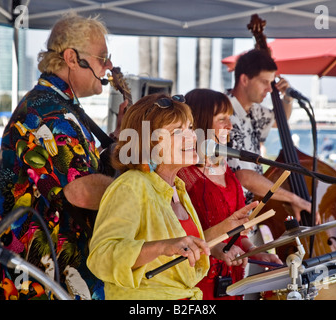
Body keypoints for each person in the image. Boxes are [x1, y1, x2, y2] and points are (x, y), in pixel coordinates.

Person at [0, 12, 126, 300]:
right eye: (103, 57)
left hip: (57, 273)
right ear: (71, 58)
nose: (109, 66)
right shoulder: (48, 113)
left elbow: (81, 171)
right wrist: (141, 194)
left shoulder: (59, 106)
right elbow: (81, 191)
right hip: (44, 280)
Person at [87, 93, 257, 300]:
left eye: (190, 128)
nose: (192, 137)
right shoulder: (131, 185)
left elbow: (181, 249)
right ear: (149, 143)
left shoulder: (178, 188)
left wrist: (224, 228)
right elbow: (101, 256)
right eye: (177, 131)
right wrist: (162, 247)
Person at [177, 88, 282, 300]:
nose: (230, 126)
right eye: (222, 119)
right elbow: (178, 236)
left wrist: (255, 251)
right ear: (201, 122)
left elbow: (238, 233)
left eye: (230, 118)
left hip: (230, 282)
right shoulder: (182, 176)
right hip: (196, 283)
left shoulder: (225, 170)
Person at [227, 49, 315, 223]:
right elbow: (243, 176)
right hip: (231, 212)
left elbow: (280, 119)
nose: (269, 88)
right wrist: (293, 198)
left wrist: (287, 98)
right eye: (264, 82)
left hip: (250, 213)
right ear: (244, 79)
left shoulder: (255, 111)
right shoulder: (224, 112)